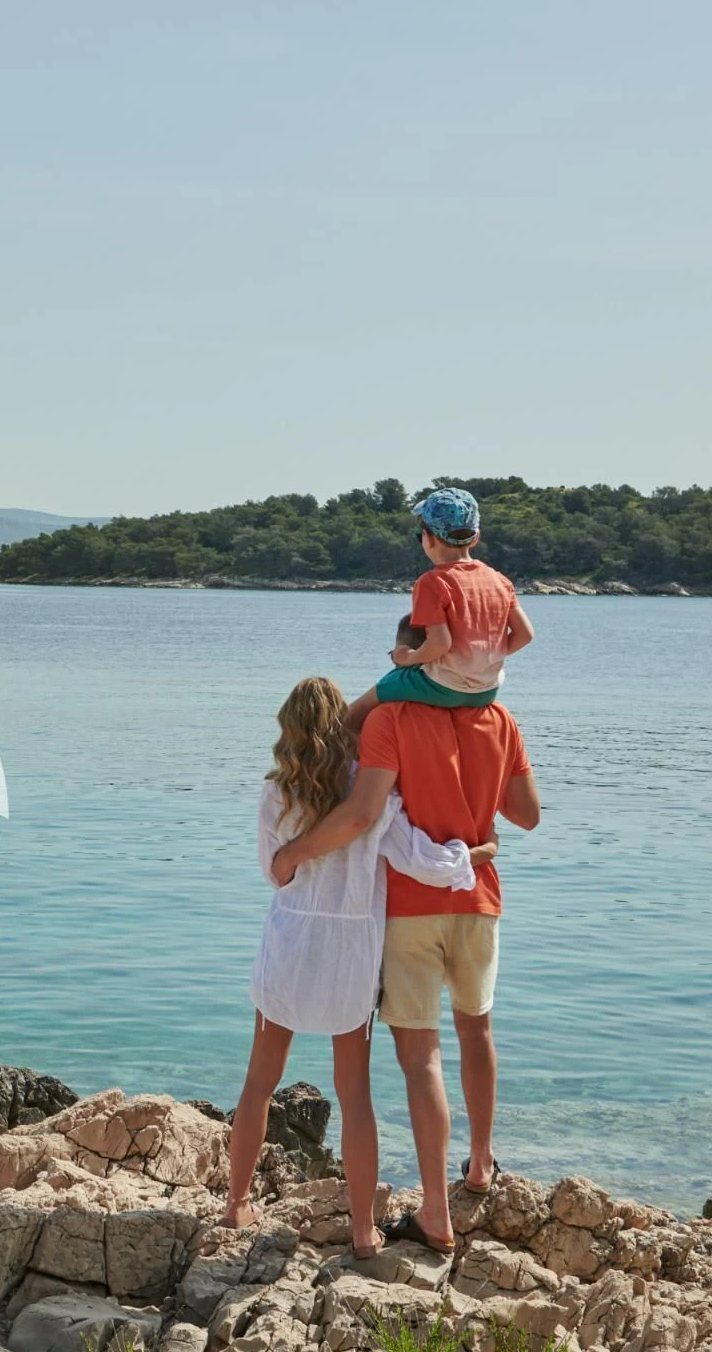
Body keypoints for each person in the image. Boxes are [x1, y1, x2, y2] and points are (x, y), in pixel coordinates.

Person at [276, 626, 541, 1254]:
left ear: (411, 657)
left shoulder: (389, 718)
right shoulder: (500, 719)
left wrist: (292, 853)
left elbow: (364, 813)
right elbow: (527, 814)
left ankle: (437, 1213)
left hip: (410, 908)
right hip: (478, 896)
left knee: (421, 1059)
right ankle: (480, 1162)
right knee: (477, 1030)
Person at [220, 676, 497, 1251]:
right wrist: (468, 855)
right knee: (355, 1096)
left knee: (259, 1083)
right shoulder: (372, 796)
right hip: (350, 957)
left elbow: (274, 872)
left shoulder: (277, 794)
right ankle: (364, 1230)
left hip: (291, 945)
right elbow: (421, 861)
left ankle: (236, 1205)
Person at [348, 487, 534, 729]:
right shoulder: (499, 580)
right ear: (475, 537)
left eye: (419, 534)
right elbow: (525, 635)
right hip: (487, 691)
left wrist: (407, 657)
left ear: (429, 538)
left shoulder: (432, 582)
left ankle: (326, 756)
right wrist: (484, 657)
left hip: (443, 686)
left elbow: (440, 644)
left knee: (361, 706)